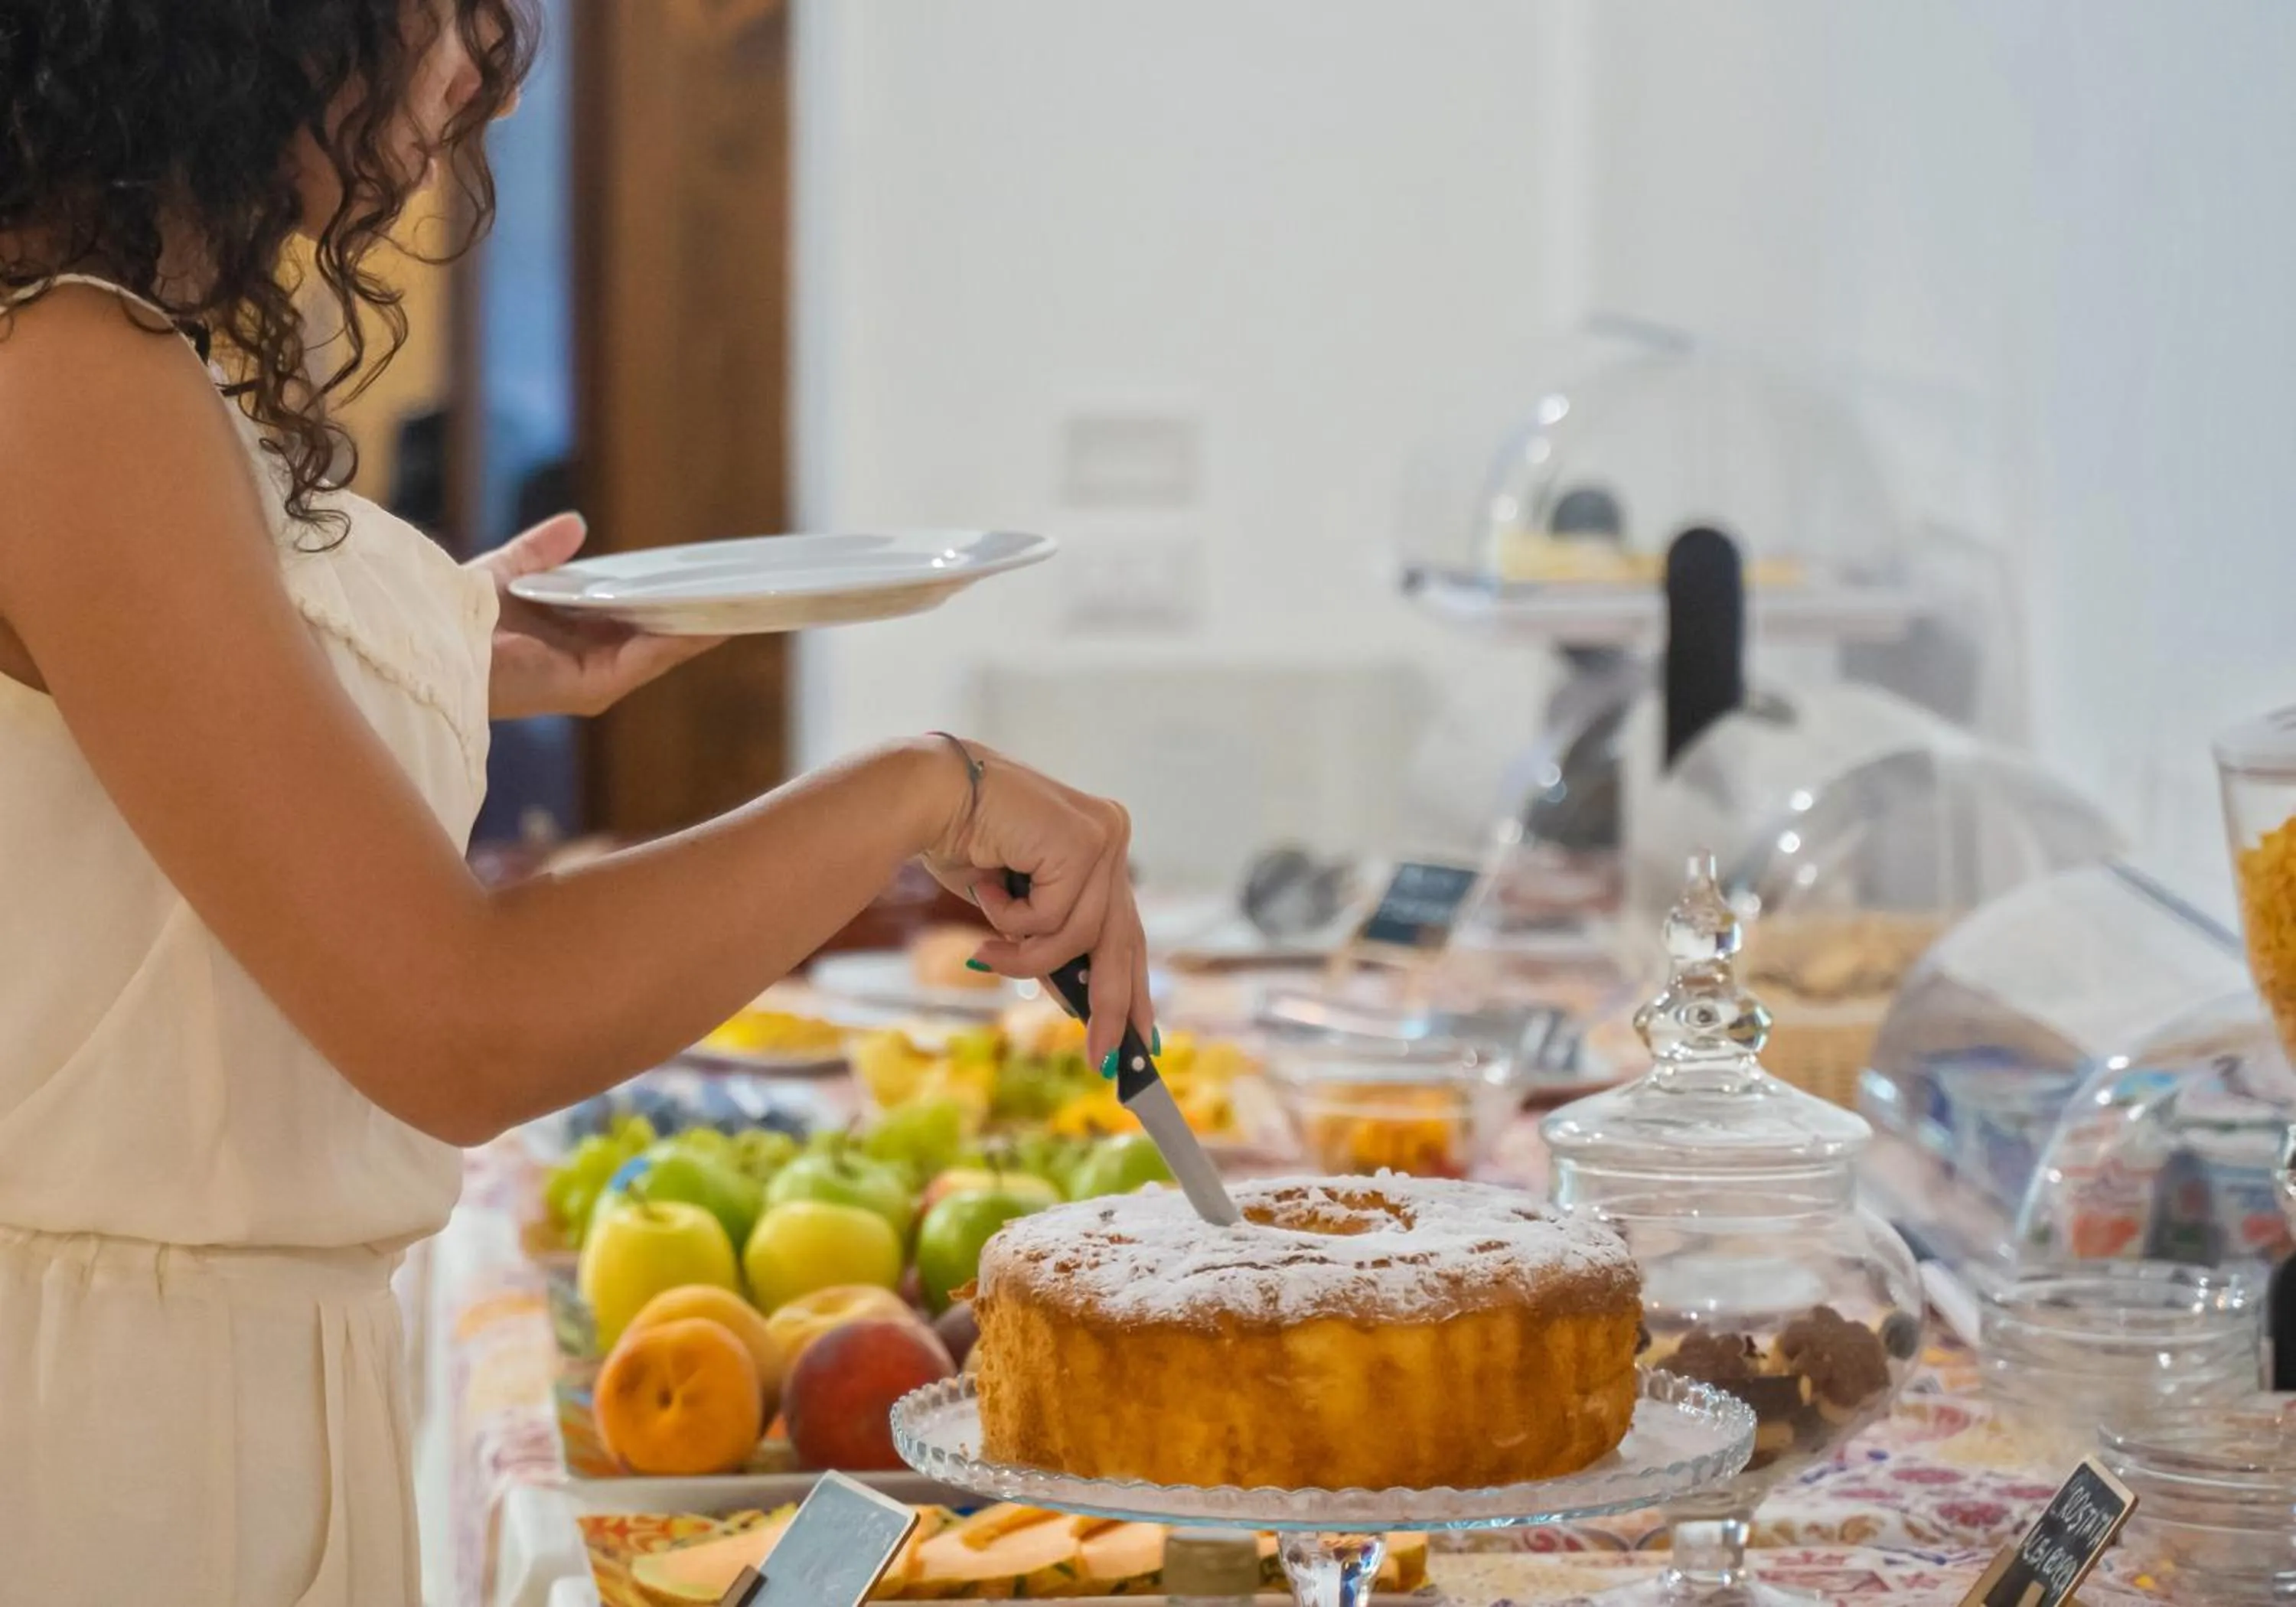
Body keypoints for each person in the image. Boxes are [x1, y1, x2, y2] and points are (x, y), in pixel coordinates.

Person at [0, 4, 1153, 1600]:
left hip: (184, 1388)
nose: (480, 64)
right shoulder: (78, 367)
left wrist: (445, 651)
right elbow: (466, 1021)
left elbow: (133, 742)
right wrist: (914, 793)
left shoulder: (93, 346)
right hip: (131, 1450)